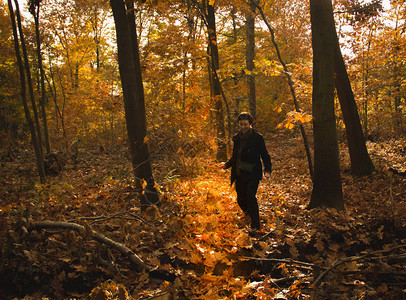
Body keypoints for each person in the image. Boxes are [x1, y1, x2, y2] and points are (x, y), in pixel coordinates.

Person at [220, 112, 272, 231]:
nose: (243, 127)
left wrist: (267, 170)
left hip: (253, 172)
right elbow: (235, 157)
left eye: (245, 124)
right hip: (240, 173)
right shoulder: (237, 138)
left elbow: (265, 155)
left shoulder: (257, 138)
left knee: (250, 196)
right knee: (240, 199)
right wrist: (226, 165)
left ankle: (255, 224)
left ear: (250, 124)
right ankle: (249, 214)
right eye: (241, 124)